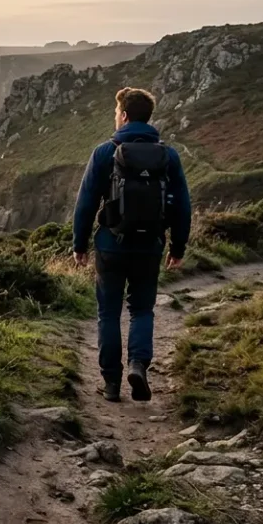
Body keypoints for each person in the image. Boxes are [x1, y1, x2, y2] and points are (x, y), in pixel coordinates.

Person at [72, 87, 191, 403]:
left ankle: (111, 383)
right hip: (150, 246)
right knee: (141, 310)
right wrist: (178, 247)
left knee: (108, 313)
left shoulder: (104, 152)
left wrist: (79, 244)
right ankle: (138, 365)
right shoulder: (168, 156)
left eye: (116, 112)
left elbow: (85, 203)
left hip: (111, 245)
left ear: (123, 115)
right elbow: (182, 205)